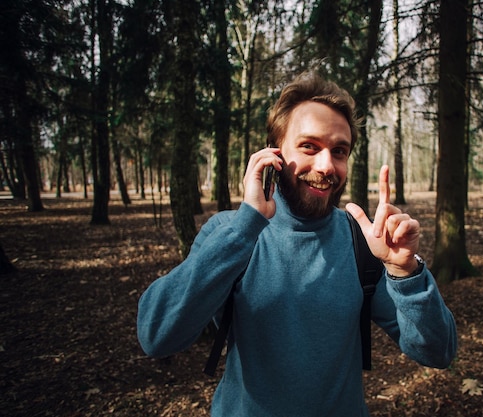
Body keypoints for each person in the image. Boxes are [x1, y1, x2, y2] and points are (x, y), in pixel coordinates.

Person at [137, 72, 457, 416]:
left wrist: (404, 271)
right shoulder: (230, 232)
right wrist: (247, 226)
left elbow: (438, 351)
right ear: (273, 151)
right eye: (309, 146)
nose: (326, 166)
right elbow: (157, 335)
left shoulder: (362, 243)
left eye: (339, 151)